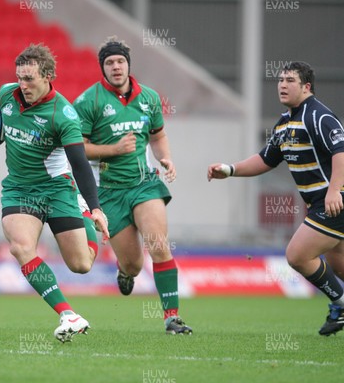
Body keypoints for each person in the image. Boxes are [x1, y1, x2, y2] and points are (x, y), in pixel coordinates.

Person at [0, 44, 110, 343]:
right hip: (19, 189)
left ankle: (82, 211)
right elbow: (7, 130)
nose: (23, 85)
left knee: (81, 264)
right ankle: (67, 314)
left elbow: (79, 163)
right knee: (21, 247)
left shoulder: (64, 114)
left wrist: (95, 208)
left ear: (48, 76)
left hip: (58, 189)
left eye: (29, 79)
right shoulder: (6, 95)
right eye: (20, 77)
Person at [208, 61, 344, 336]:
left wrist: (334, 190)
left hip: (333, 203)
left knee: (297, 255)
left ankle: (341, 304)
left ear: (306, 87)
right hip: (320, 205)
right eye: (280, 80)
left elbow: (341, 151)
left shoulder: (318, 115)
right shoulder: (284, 123)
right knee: (340, 266)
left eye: (289, 80)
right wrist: (230, 170)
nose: (282, 85)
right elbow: (265, 159)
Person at [73, 37, 192, 335]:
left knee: (159, 246)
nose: (116, 67)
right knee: (134, 264)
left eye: (120, 61)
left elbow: (158, 135)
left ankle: (172, 318)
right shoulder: (89, 101)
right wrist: (113, 149)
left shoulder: (149, 98)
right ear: (103, 68)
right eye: (110, 63)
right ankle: (125, 272)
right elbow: (78, 148)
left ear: (128, 64)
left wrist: (166, 159)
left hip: (144, 184)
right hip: (109, 192)